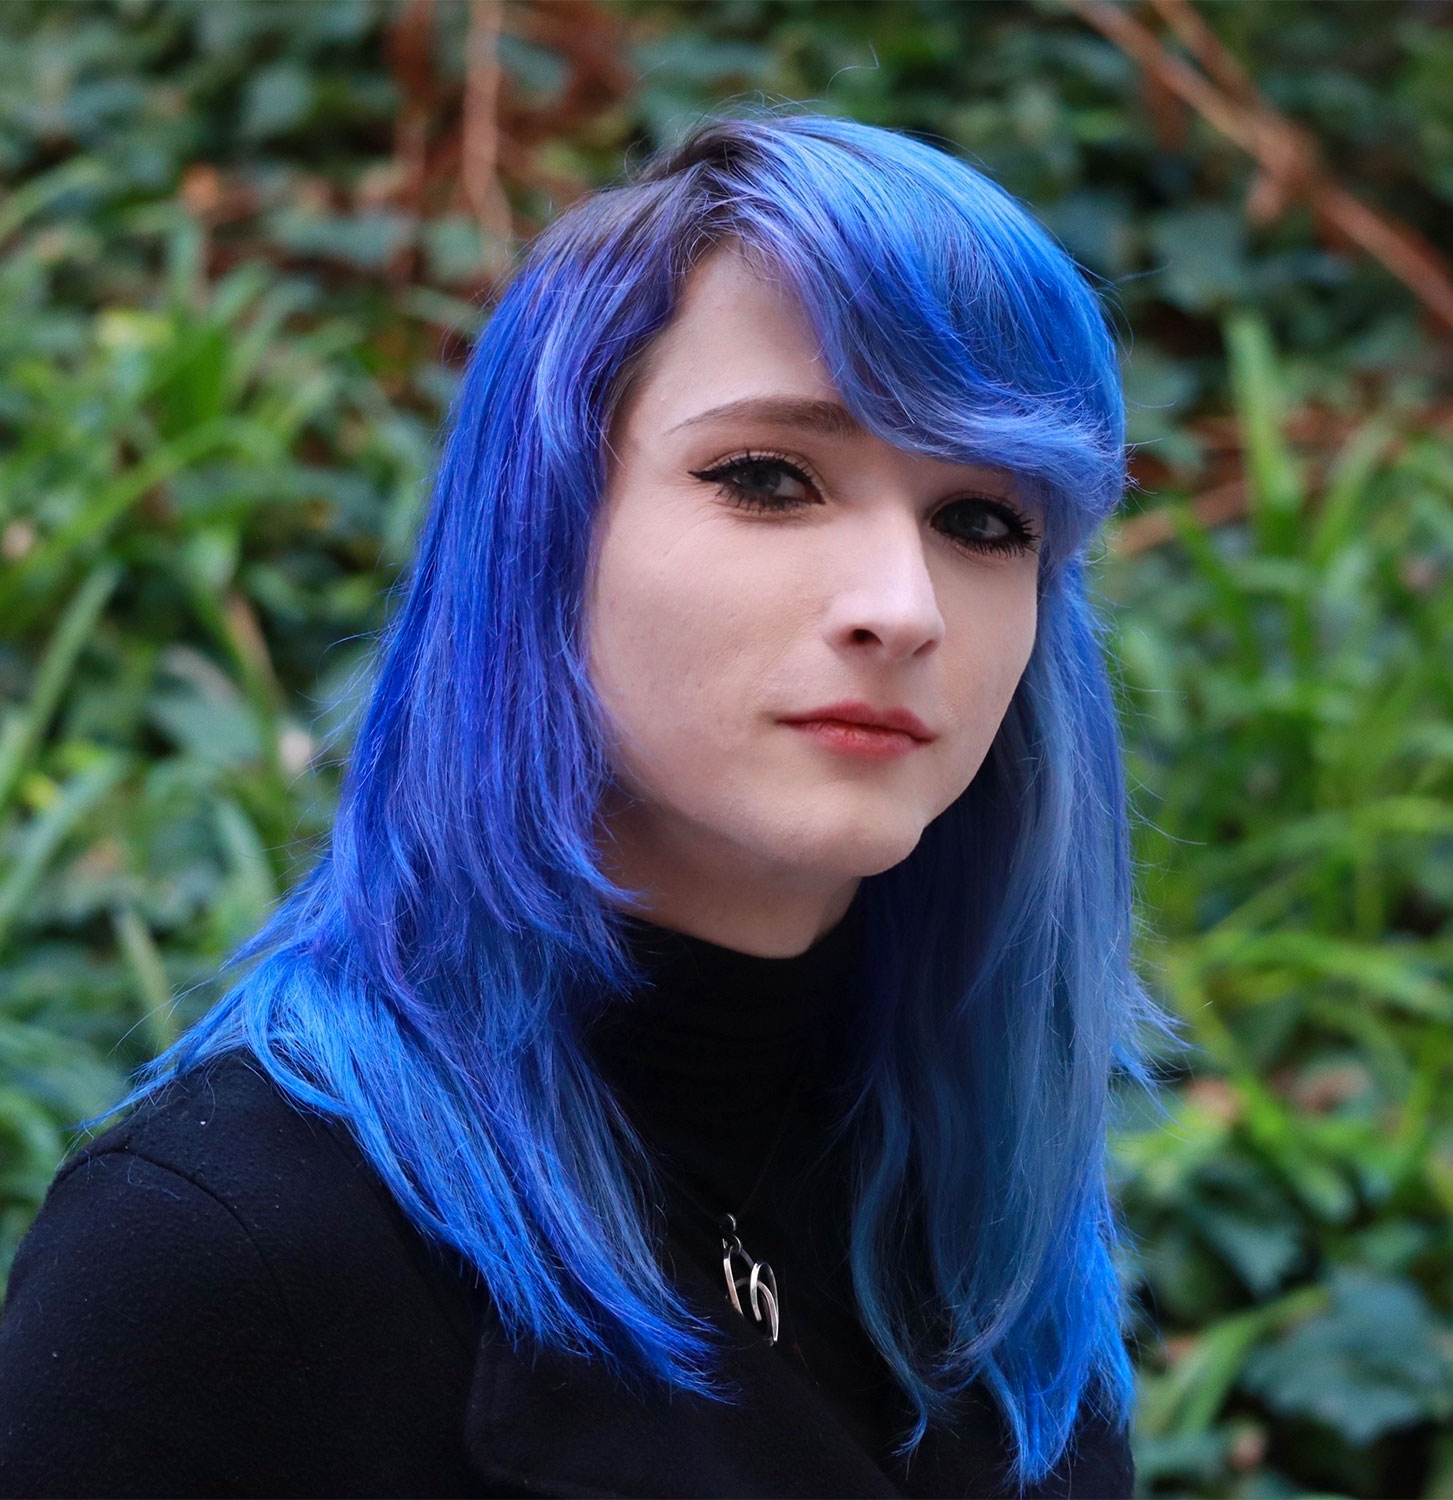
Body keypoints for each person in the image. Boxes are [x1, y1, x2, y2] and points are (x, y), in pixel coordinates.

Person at [0, 110, 1160, 1498]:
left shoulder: (993, 1237)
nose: (903, 609)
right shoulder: (229, 1247)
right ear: (542, 529)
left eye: (984, 521)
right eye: (770, 478)